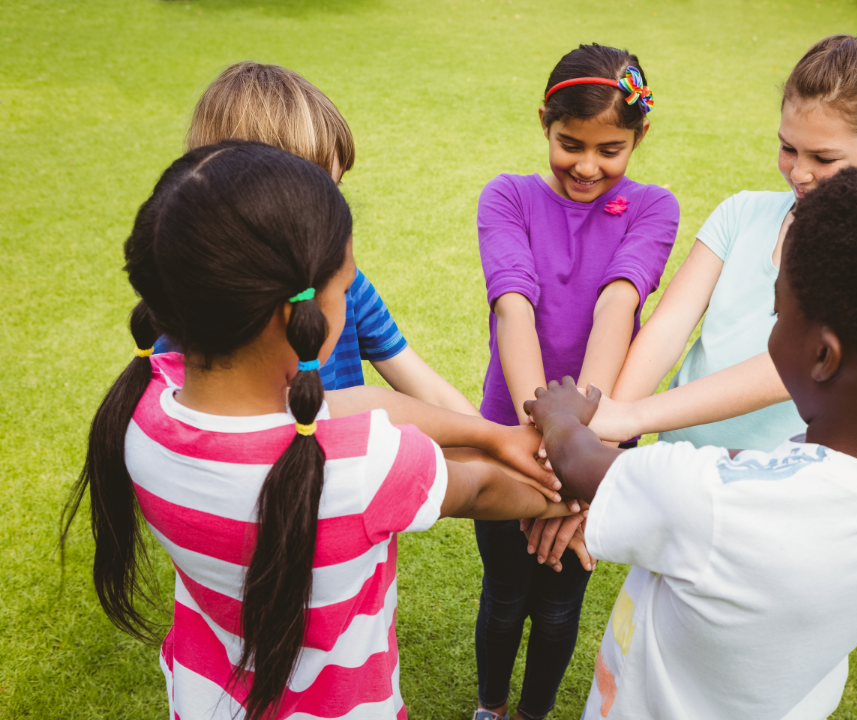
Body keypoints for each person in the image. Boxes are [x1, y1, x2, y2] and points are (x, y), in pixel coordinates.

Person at [61, 141, 572, 720]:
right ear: (296, 314)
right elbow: (481, 489)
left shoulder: (143, 411)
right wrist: (572, 482)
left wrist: (490, 435)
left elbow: (351, 402)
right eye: (345, 285)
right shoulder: (362, 468)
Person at [525, 160, 857, 720]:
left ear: (822, 355)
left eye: (776, 310)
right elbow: (778, 472)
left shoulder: (708, 504)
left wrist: (561, 414)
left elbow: (579, 460)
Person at [472, 44, 678, 720]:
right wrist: (542, 439)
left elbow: (618, 304)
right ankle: (492, 708)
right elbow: (513, 305)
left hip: (597, 445)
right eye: (570, 144)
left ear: (639, 136)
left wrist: (575, 447)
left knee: (561, 598)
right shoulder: (508, 196)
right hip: (512, 436)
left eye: (610, 149)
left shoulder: (655, 208)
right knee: (504, 590)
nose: (587, 166)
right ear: (544, 124)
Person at [588, 35, 857, 449]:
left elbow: (792, 368)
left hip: (775, 498)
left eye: (824, 158)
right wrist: (600, 443)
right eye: (788, 148)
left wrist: (632, 417)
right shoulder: (741, 214)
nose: (800, 173)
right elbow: (668, 330)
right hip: (673, 471)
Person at [156, 61, 479, 413]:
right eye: (318, 195)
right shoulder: (194, 324)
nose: (334, 212)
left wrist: (502, 443)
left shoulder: (346, 287)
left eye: (335, 189)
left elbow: (430, 392)